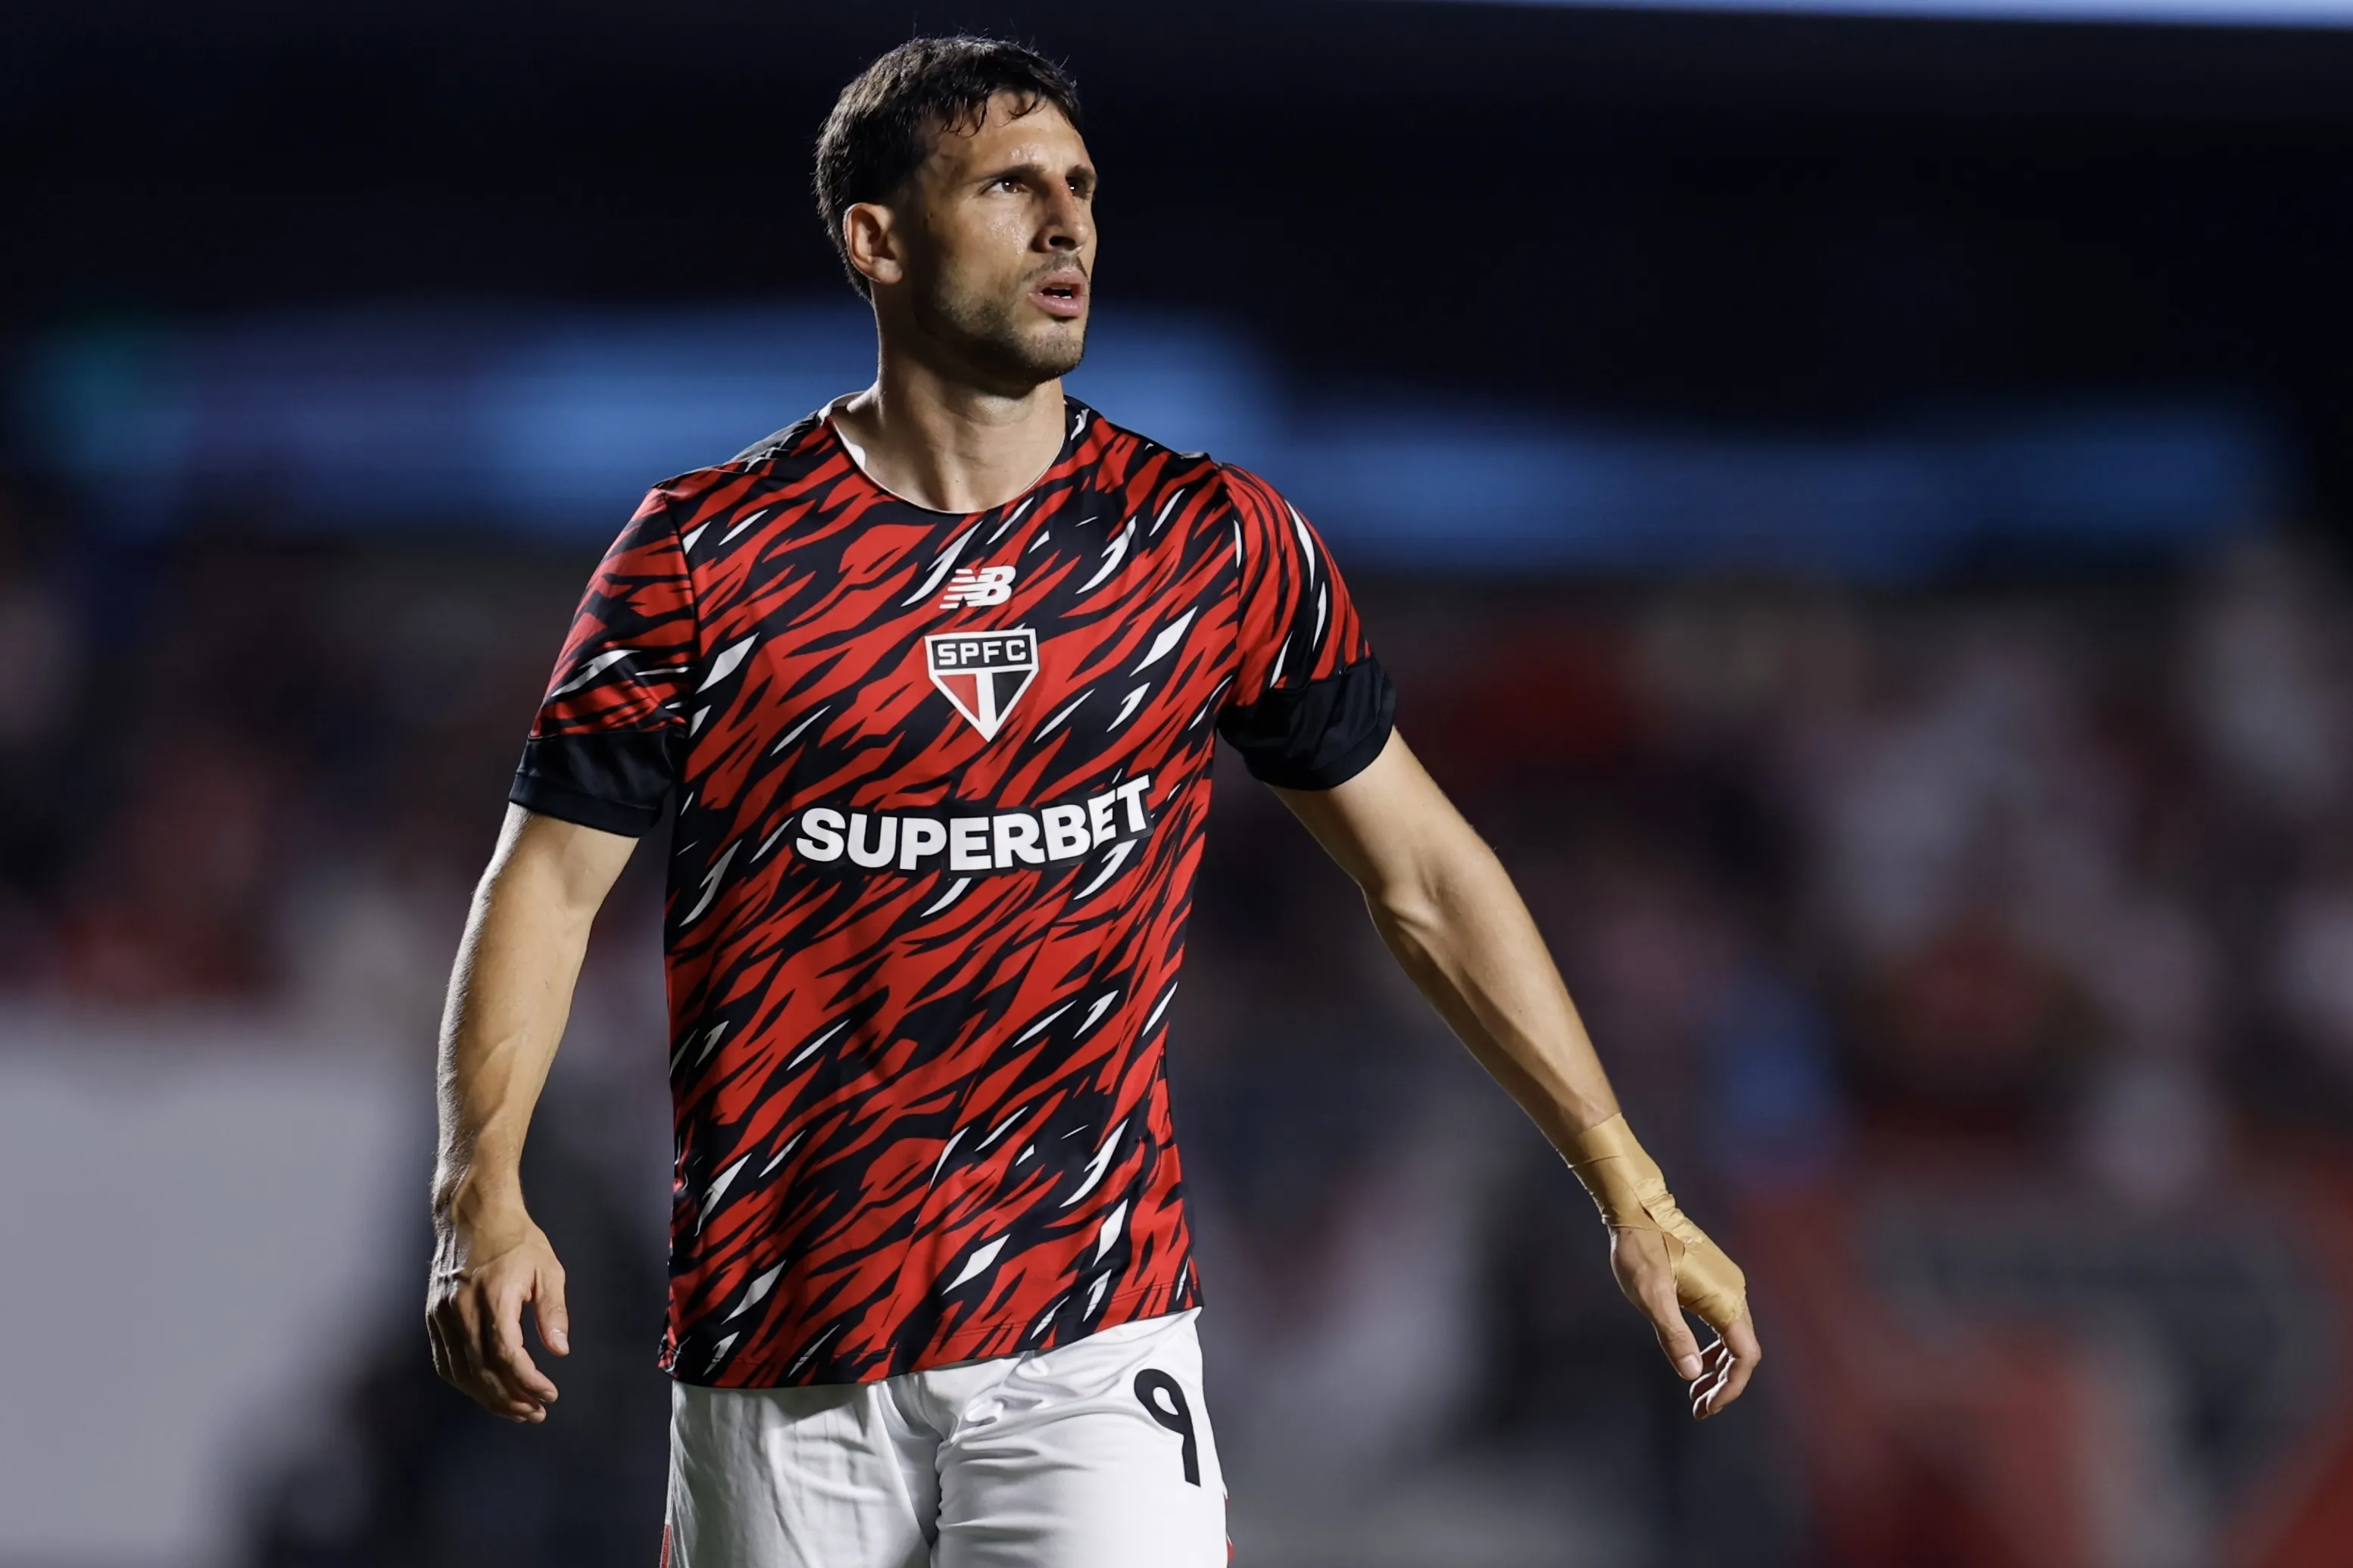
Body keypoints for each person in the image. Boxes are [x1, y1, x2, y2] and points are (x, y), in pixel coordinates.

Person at [426, 34, 1760, 1568]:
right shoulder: (706, 558)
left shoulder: (1208, 546)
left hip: (1090, 1332)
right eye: (1008, 187)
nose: (1065, 226)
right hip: (784, 1341)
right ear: (875, 237)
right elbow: (543, 886)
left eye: (1079, 188)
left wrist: (1630, 1189)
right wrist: (481, 1190)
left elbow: (1426, 877)